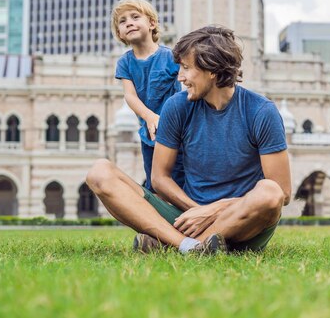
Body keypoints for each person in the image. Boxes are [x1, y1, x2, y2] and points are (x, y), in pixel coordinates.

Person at [86, 26, 291, 254]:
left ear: (211, 70)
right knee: (100, 172)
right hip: (187, 218)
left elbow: (283, 192)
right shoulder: (177, 106)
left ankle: (171, 245)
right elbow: (159, 178)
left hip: (243, 222)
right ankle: (190, 247)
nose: (180, 76)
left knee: (269, 192)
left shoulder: (261, 111)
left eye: (186, 68)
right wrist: (197, 211)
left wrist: (214, 211)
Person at [111, 0, 183, 191]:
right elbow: (130, 96)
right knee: (155, 183)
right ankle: (158, 219)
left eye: (135, 17)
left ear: (152, 23)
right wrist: (149, 116)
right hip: (149, 135)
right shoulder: (125, 63)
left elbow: (187, 89)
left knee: (180, 179)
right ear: (120, 33)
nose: (129, 23)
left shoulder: (171, 57)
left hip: (178, 134)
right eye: (123, 21)